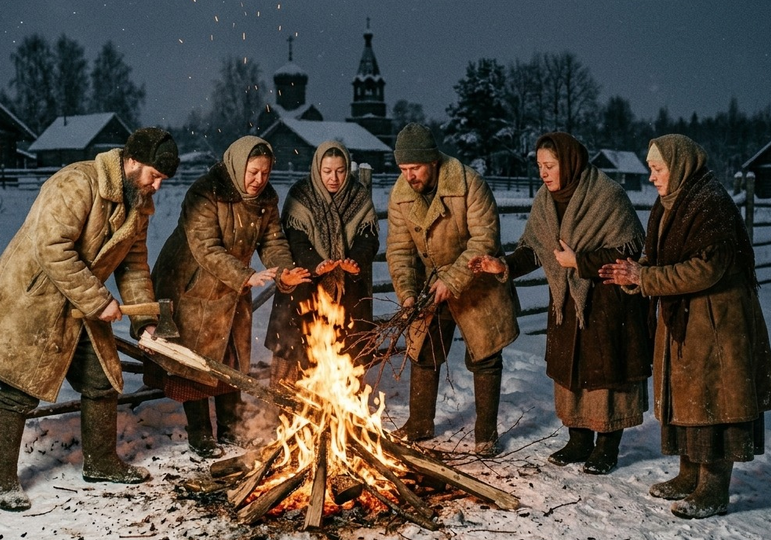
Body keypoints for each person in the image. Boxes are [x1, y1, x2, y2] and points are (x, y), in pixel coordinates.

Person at [0, 127, 180, 511]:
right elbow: (53, 248)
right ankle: (0, 481)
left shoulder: (139, 203)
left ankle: (100, 462)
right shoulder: (77, 183)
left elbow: (133, 264)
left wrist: (145, 320)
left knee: (101, 381)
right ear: (132, 162)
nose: (157, 186)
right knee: (19, 388)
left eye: (163, 179)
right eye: (154, 175)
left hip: (80, 302)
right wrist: (98, 301)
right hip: (37, 299)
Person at [599, 134, 771, 519]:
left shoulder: (710, 203)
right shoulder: (671, 202)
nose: (651, 177)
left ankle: (713, 489)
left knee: (714, 402)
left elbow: (706, 267)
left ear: (680, 165)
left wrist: (645, 278)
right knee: (687, 399)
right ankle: (689, 475)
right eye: (650, 169)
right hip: (685, 318)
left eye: (658, 169)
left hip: (716, 322)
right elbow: (660, 257)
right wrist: (636, 274)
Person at [468, 132, 652, 474]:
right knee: (572, 371)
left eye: (550, 165)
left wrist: (579, 262)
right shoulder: (545, 200)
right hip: (567, 302)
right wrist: (503, 265)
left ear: (569, 163)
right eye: (539, 165)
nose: (543, 173)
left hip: (607, 299)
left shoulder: (607, 195)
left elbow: (628, 249)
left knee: (606, 374)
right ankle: (578, 441)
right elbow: (535, 250)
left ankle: (607, 446)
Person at [144, 135, 311, 458]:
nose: (259, 180)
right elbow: (205, 247)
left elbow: (273, 241)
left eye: (265, 172)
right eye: (253, 172)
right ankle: (200, 432)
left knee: (231, 357)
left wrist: (283, 271)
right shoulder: (206, 192)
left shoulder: (266, 200)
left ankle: (230, 427)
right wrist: (245, 275)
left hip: (232, 285)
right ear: (237, 166)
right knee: (195, 358)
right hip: (190, 285)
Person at [385, 123, 520, 457]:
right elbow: (399, 250)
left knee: (485, 355)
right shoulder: (400, 194)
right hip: (431, 284)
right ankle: (419, 423)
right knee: (423, 351)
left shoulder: (469, 184)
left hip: (477, 280)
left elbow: (484, 239)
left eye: (415, 168)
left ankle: (486, 434)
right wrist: (408, 293)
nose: (409, 176)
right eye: (403, 168)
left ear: (433, 161)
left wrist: (453, 279)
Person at [265, 140, 379, 385]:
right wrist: (316, 264)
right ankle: (286, 397)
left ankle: (338, 402)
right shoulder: (301, 194)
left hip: (346, 287)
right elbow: (295, 239)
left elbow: (368, 238)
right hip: (305, 282)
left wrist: (354, 261)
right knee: (295, 346)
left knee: (345, 347)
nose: (333, 178)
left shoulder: (358, 196)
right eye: (327, 171)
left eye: (340, 171)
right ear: (317, 169)